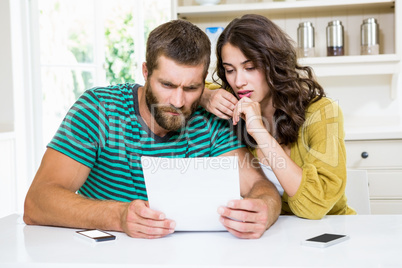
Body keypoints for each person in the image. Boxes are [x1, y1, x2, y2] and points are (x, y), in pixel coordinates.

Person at [23, 19, 281, 239]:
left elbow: (259, 185)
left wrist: (265, 208)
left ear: (204, 84)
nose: (179, 102)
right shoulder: (97, 109)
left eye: (191, 88)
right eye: (167, 85)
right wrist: (119, 216)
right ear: (145, 72)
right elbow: (37, 202)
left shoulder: (212, 120)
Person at [200, 14, 356, 219]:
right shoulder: (231, 104)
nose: (239, 81)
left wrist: (260, 132)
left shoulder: (322, 112)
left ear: (274, 63)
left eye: (250, 68)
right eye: (230, 70)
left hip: (330, 231)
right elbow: (176, 86)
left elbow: (315, 207)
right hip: (272, 234)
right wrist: (206, 96)